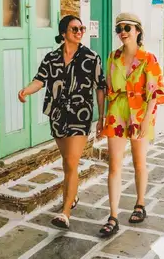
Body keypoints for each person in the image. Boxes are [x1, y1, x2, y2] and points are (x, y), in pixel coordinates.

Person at [18, 15, 106, 229]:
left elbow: (100, 87)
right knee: (67, 162)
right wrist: (25, 91)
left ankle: (65, 211)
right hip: (57, 116)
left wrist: (101, 117)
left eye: (81, 29)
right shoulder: (51, 58)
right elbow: (40, 80)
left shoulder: (91, 57)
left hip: (80, 115)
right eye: (75, 29)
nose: (79, 32)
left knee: (72, 162)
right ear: (64, 33)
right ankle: (72, 196)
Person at [98, 13, 164, 237]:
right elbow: (108, 89)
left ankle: (140, 203)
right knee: (114, 165)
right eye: (118, 29)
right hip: (117, 112)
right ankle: (113, 216)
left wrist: (146, 120)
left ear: (138, 30)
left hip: (139, 113)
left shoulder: (149, 58)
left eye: (127, 27)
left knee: (139, 162)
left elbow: (156, 92)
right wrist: (102, 118)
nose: (122, 32)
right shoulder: (112, 57)